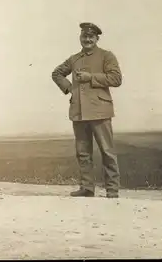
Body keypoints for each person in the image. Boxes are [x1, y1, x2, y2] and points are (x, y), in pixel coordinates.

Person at [51, 22, 123, 198]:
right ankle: (87, 188)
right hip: (79, 112)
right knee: (83, 152)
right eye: (84, 36)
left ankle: (112, 189)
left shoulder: (106, 56)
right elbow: (56, 73)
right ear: (80, 38)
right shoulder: (74, 59)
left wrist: (91, 77)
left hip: (100, 111)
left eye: (91, 37)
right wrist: (69, 89)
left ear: (97, 38)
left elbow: (116, 78)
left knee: (107, 151)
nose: (87, 39)